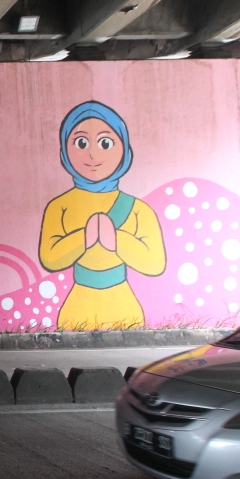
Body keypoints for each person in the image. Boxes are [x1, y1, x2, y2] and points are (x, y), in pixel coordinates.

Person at [39, 101, 166, 329]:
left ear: (124, 148)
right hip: (76, 309)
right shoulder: (59, 206)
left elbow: (155, 263)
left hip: (124, 308)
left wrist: (117, 240)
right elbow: (49, 258)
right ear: (64, 149)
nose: (92, 154)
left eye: (105, 143)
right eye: (81, 142)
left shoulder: (138, 209)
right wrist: (83, 238)